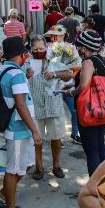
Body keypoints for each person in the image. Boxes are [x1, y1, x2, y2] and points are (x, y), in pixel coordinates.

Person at [0, 37, 40, 208]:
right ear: (21, 54)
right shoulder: (16, 74)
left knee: (25, 164)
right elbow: (20, 104)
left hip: (14, 127)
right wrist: (35, 130)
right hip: (18, 128)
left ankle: (6, 194)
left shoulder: (2, 70)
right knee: (13, 170)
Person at [28, 34, 80, 180]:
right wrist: (26, 74)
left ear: (46, 47)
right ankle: (39, 167)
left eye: (41, 48)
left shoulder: (55, 60)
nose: (38, 51)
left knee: (56, 138)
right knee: (37, 139)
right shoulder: (27, 62)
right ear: (31, 49)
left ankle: (56, 165)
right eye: (35, 49)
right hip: (35, 106)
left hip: (53, 105)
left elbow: (70, 74)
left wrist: (55, 74)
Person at [66, 30, 105, 175]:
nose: (78, 49)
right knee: (100, 146)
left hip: (89, 110)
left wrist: (71, 92)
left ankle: (95, 184)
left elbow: (84, 85)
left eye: (79, 46)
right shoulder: (102, 60)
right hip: (102, 109)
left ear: (85, 48)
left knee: (91, 151)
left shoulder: (88, 62)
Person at [46, 25, 82, 144]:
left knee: (74, 110)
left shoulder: (71, 48)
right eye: (53, 35)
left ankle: (75, 133)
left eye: (59, 35)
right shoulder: (46, 49)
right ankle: (56, 138)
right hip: (52, 85)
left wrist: (70, 72)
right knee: (54, 113)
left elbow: (78, 65)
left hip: (67, 84)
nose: (56, 38)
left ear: (64, 36)